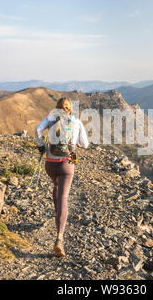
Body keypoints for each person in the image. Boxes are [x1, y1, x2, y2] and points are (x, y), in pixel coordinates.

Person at [35, 98, 89, 257]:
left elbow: (38, 129)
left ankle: (58, 214)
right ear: (70, 109)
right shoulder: (76, 122)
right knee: (64, 197)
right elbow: (85, 144)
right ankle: (59, 237)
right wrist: (75, 143)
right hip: (68, 161)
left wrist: (41, 146)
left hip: (50, 163)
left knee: (56, 186)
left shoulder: (50, 119)